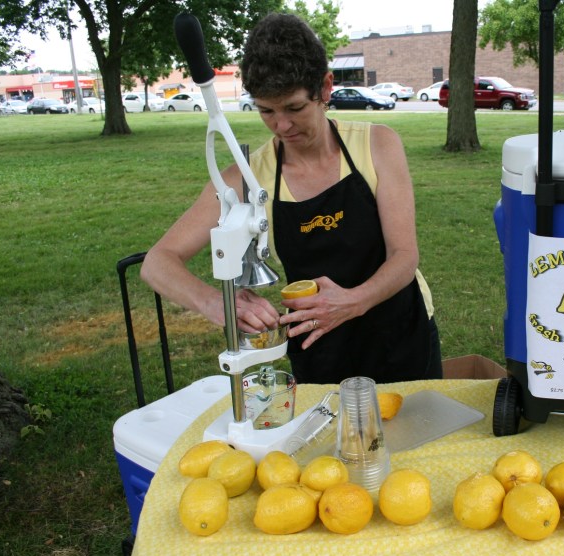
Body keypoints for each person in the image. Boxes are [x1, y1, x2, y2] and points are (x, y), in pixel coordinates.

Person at [141, 13, 442, 385]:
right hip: (320, 348)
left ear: (326, 88)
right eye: (267, 110)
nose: (281, 126)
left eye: (294, 108)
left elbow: (404, 255)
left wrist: (352, 301)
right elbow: (157, 262)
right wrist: (215, 303)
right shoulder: (249, 178)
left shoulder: (377, 145)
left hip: (401, 333)